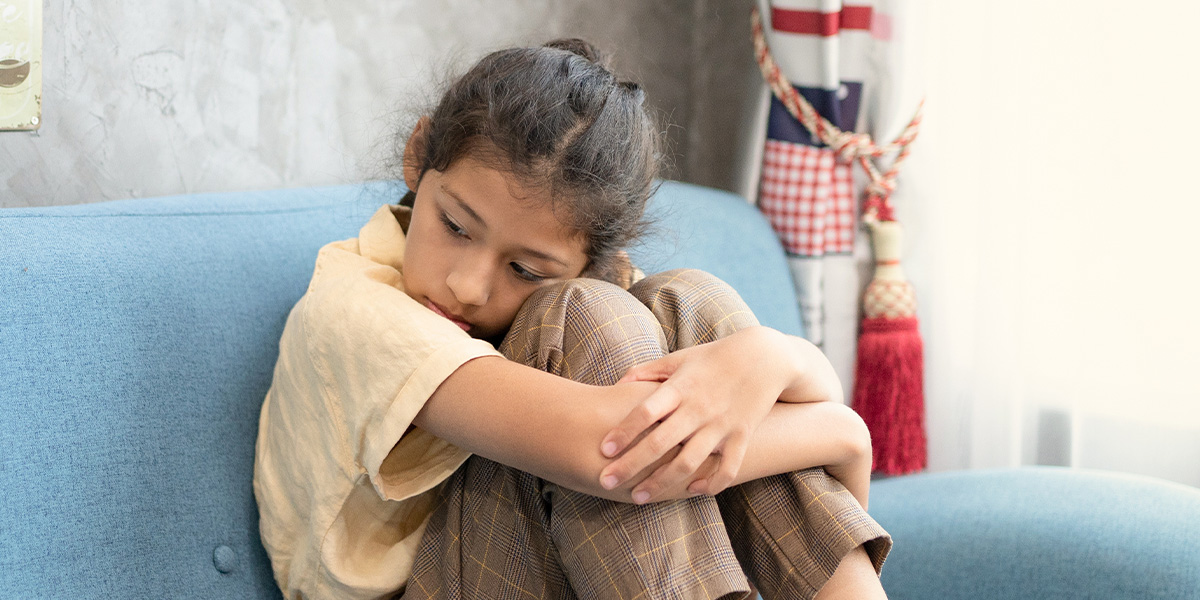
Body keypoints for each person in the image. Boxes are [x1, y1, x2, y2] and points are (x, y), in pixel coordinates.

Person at [253, 39, 890, 600]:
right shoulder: (356, 309)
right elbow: (614, 457)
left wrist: (771, 356)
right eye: (455, 226)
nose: (467, 286)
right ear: (420, 157)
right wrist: (839, 432)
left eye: (526, 270)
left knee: (690, 303)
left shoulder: (595, 290)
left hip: (550, 563)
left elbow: (711, 410)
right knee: (587, 318)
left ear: (595, 259)